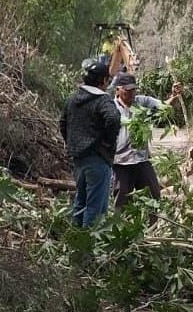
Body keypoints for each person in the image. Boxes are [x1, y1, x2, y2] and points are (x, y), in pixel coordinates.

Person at [59, 58, 122, 227]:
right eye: (107, 80)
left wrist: (73, 144)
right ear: (102, 81)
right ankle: (89, 248)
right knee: (96, 208)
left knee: (80, 202)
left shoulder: (73, 99)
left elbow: (63, 123)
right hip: (98, 160)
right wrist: (108, 142)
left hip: (78, 160)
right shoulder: (103, 100)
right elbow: (113, 119)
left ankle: (76, 241)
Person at [111, 73, 180, 210]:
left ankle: (152, 229)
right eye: (127, 91)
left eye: (133, 90)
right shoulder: (110, 107)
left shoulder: (142, 102)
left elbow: (163, 107)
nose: (131, 94)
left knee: (154, 196)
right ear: (118, 90)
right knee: (122, 200)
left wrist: (174, 96)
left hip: (142, 159)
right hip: (121, 162)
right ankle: (119, 227)